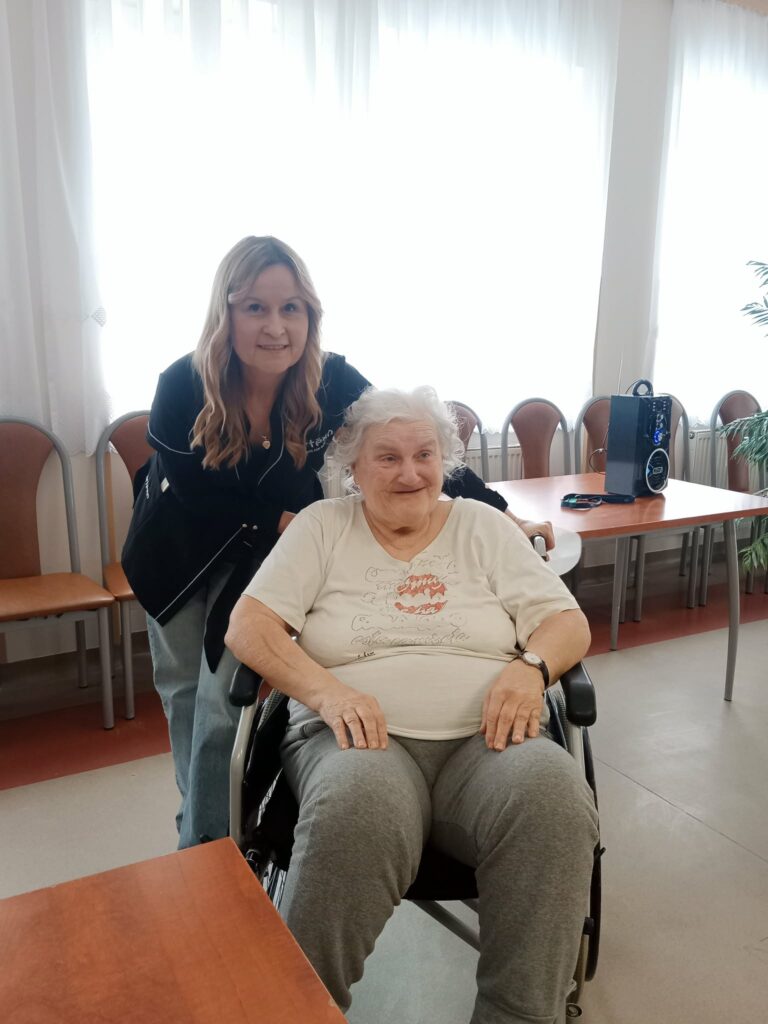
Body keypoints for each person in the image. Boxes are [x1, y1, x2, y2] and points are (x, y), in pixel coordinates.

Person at [122, 236, 553, 850]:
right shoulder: (183, 384)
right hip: (179, 551)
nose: (275, 327)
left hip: (261, 554)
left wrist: (504, 514)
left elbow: (410, 442)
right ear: (226, 313)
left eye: (291, 308)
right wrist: (290, 522)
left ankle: (211, 846)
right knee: (185, 697)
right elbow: (196, 493)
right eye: (255, 307)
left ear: (310, 316)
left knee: (223, 705)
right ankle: (202, 832)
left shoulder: (332, 380)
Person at [225, 386, 598, 1024]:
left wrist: (532, 669)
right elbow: (249, 626)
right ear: (353, 466)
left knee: (555, 799)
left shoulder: (483, 526)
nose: (410, 473)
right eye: (388, 457)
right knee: (357, 806)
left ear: (444, 460)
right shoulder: (322, 527)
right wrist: (327, 692)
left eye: (425, 454)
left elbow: (565, 621)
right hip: (353, 740)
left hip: (492, 741)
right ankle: (302, 1010)